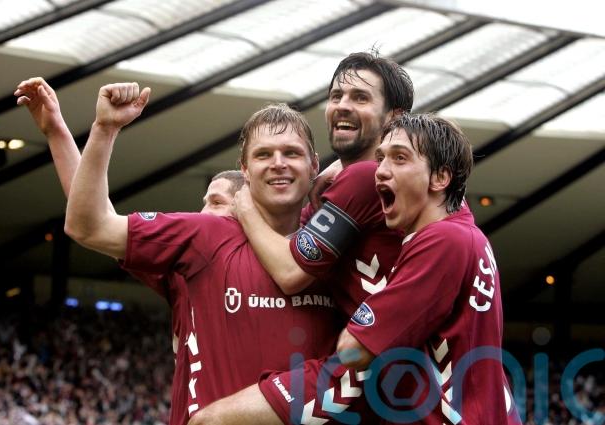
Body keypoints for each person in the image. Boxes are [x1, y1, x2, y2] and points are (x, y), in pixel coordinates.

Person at [61, 82, 341, 424]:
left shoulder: (340, 247)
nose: (278, 163)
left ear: (314, 165)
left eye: (292, 153)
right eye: (263, 155)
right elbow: (89, 226)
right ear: (245, 170)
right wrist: (105, 129)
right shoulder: (205, 235)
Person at [14, 78, 285, 425]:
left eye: (216, 203)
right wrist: (57, 131)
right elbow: (94, 218)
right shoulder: (185, 269)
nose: (203, 213)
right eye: (204, 202)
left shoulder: (298, 263)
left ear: (248, 206)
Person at [190, 52, 415, 424]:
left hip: (369, 368)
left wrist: (244, 205)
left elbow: (291, 272)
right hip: (386, 375)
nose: (343, 105)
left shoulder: (364, 178)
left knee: (210, 420)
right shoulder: (366, 180)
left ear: (394, 118)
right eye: (336, 95)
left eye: (360, 98)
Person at [335, 113, 521, 424]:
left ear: (440, 178)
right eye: (380, 158)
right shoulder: (467, 235)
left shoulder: (442, 240)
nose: (380, 171)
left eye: (400, 158)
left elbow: (351, 351)